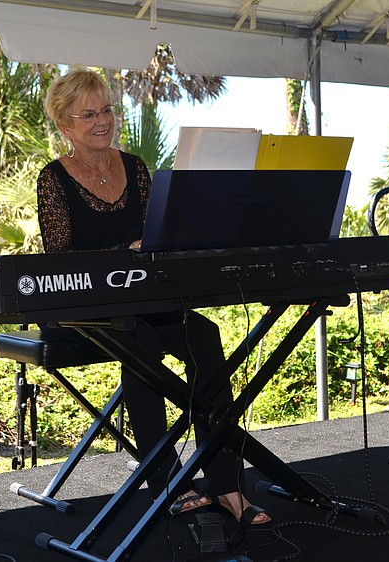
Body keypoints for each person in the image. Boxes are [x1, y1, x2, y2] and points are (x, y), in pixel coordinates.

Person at [36, 65, 270, 525]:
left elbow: (160, 232)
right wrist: (121, 252)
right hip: (86, 309)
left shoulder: (136, 168)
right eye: (88, 114)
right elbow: (60, 261)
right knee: (138, 343)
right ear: (65, 126)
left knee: (204, 336)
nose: (102, 120)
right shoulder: (53, 179)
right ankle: (166, 482)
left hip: (145, 298)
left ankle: (226, 484)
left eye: (107, 109)